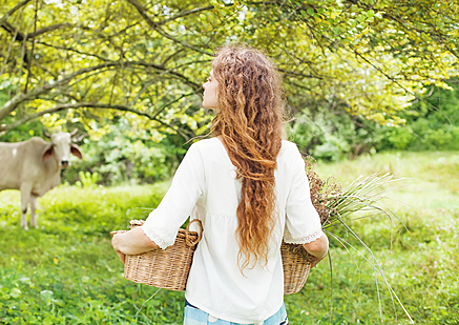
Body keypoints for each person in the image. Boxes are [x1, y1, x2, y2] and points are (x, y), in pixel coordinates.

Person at [111, 46, 329, 325]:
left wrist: (119, 242)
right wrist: (318, 256)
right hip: (271, 315)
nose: (205, 84)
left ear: (230, 90)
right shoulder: (288, 155)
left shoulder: (204, 154)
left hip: (211, 313)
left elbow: (154, 235)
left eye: (211, 78)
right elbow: (313, 242)